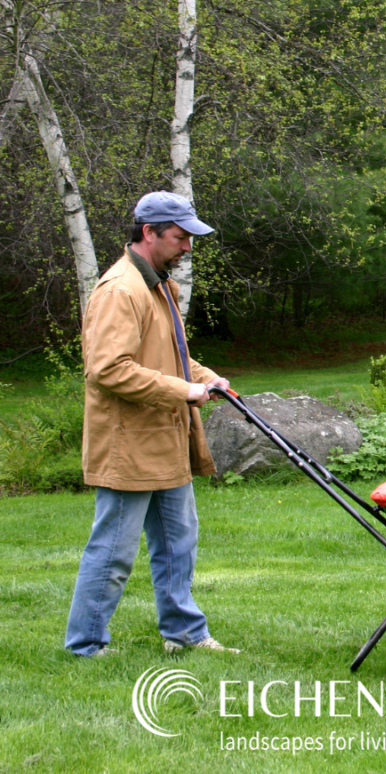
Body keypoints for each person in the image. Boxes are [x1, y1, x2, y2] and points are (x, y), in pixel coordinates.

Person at [65, 191, 239, 657]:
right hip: (129, 446)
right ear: (149, 232)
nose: (187, 247)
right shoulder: (121, 290)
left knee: (179, 543)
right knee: (114, 552)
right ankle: (86, 644)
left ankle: (184, 633)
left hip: (165, 440)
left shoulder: (159, 284)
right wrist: (183, 391)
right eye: (180, 237)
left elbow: (169, 357)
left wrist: (206, 378)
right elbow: (109, 369)